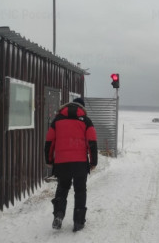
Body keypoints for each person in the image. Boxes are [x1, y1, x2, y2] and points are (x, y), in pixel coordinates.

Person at [44, 97, 98, 232]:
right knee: (80, 191)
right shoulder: (86, 121)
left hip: (62, 164)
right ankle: (78, 222)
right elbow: (92, 142)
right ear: (82, 108)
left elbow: (49, 142)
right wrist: (93, 162)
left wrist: (49, 160)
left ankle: (58, 215)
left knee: (62, 189)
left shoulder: (57, 120)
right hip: (80, 164)